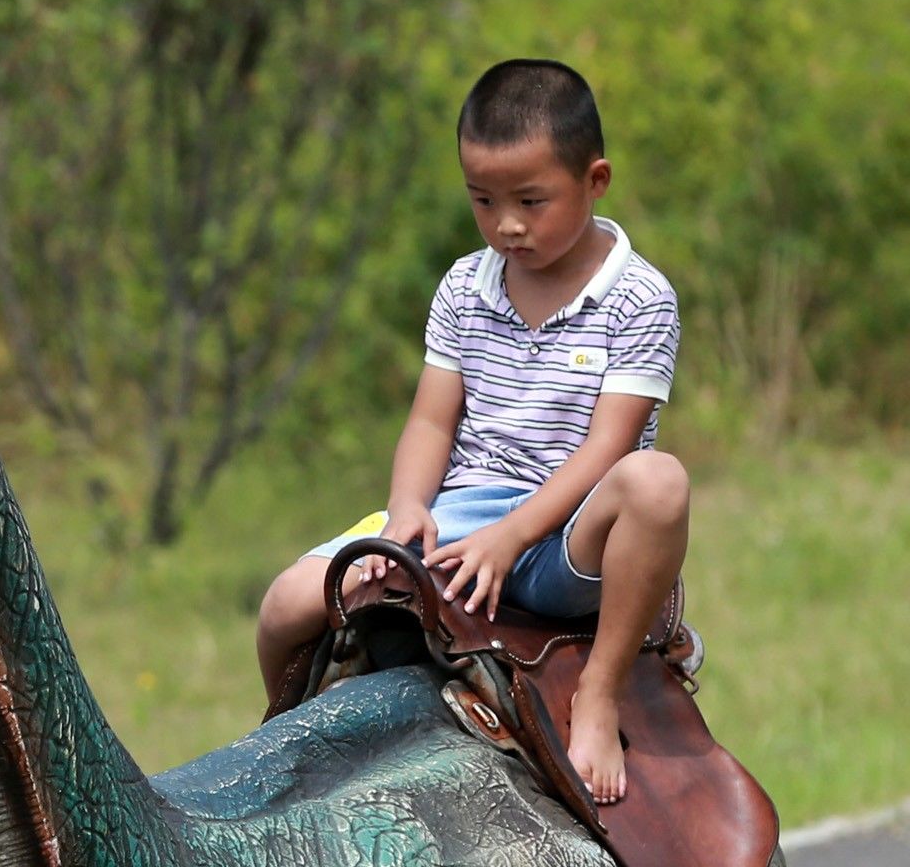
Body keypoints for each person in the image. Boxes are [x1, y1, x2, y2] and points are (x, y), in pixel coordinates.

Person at [253, 58, 687, 802]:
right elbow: (430, 418)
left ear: (595, 181)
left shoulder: (639, 299)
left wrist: (514, 535)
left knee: (658, 480)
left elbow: (606, 449)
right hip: (462, 513)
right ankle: (282, 745)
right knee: (285, 604)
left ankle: (599, 694)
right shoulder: (464, 285)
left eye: (530, 200)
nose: (506, 225)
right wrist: (408, 510)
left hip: (567, 532)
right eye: (482, 200)